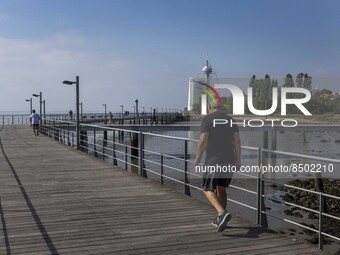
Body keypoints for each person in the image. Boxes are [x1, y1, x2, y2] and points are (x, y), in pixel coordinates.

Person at [194, 103, 241, 232]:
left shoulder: (208, 119)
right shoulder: (230, 120)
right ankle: (220, 220)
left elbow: (203, 140)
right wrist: (238, 160)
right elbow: (237, 140)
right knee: (221, 188)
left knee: (207, 188)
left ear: (209, 107)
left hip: (214, 160)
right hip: (229, 159)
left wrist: (197, 158)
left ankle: (221, 212)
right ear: (222, 107)